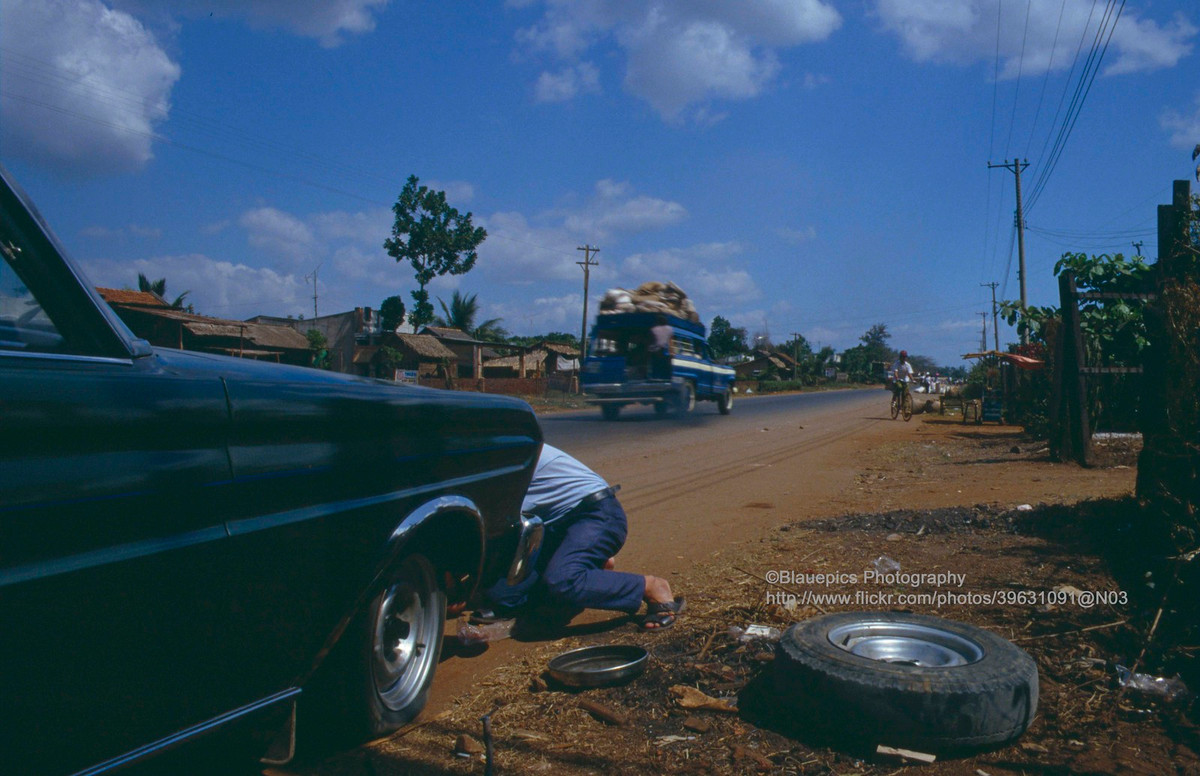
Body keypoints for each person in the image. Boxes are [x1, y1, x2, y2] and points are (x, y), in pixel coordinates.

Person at [477, 444, 684, 630]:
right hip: (555, 527)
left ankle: (650, 586)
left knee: (562, 581)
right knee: (503, 596)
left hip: (596, 514)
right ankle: (589, 570)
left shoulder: (505, 452)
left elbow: (494, 532)